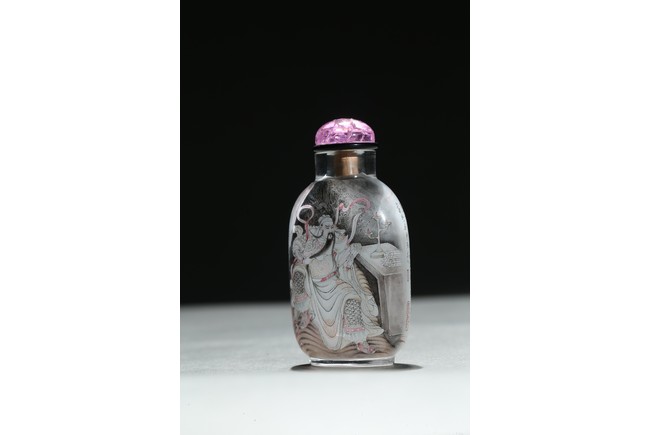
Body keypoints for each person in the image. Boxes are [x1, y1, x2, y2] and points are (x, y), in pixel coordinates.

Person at [291, 214, 383, 354]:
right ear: (321, 227)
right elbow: (300, 249)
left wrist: (352, 251)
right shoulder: (311, 240)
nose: (329, 229)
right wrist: (303, 254)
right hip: (316, 285)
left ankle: (360, 341)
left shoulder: (334, 239)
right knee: (298, 276)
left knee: (352, 299)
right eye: (326, 226)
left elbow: (342, 257)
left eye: (330, 226)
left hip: (334, 282)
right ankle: (305, 312)